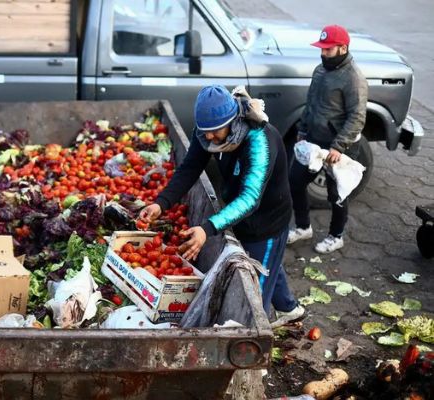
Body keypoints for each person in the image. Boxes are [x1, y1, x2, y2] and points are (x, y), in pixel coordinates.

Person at [139, 85, 303, 325]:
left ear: (233, 120)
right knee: (266, 263)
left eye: (214, 132)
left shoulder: (260, 142)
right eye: (204, 132)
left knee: (254, 293)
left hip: (265, 222)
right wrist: (161, 203)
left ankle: (256, 339)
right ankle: (289, 308)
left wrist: (206, 229)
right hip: (237, 213)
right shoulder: (208, 132)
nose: (208, 138)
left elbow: (250, 199)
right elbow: (190, 168)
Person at [287, 25, 368, 254]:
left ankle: (336, 236)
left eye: (328, 49)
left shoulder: (354, 78)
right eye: (321, 49)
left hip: (339, 147)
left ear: (343, 48)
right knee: (295, 181)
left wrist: (338, 146)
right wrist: (302, 129)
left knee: (337, 194)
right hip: (313, 141)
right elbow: (311, 103)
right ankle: (303, 227)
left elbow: (357, 117)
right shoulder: (320, 70)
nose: (323, 53)